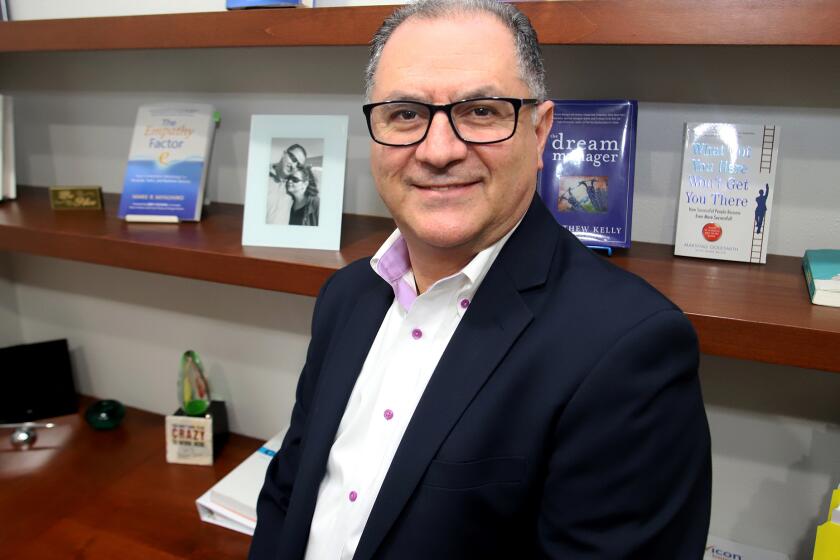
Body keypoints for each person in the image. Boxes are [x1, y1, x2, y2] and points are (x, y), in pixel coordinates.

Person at [250, 0, 711, 558]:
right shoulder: (345, 297)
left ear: (541, 134)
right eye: (404, 114)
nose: (438, 150)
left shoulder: (629, 348)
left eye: (482, 112)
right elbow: (289, 491)